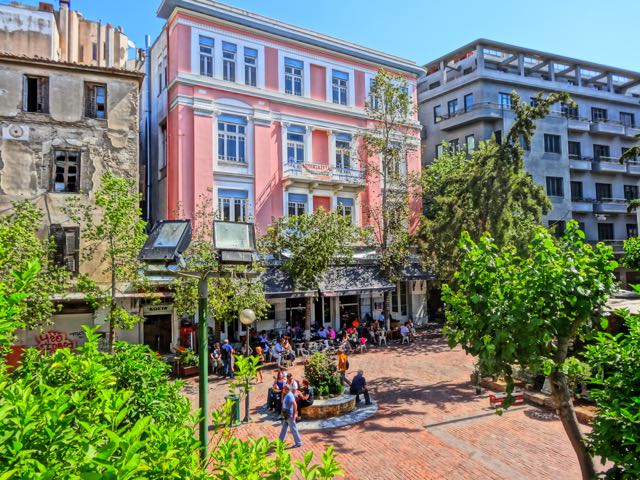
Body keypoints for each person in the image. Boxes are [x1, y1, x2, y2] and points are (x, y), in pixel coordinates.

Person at [278, 384, 302, 448]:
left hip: (289, 415)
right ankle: (279, 442)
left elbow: (295, 405)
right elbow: (283, 401)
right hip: (286, 414)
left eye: (284, 388)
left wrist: (294, 415)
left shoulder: (289, 395)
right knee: (284, 428)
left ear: (286, 389)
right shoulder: (287, 394)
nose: (283, 389)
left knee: (293, 428)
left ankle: (298, 442)